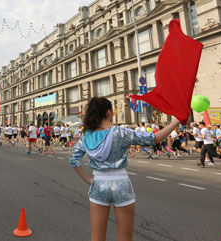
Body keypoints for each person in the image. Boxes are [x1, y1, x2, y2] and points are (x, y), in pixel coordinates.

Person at [70, 97, 180, 241]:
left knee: (97, 236)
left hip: (98, 184)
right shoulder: (121, 132)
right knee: (125, 237)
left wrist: (88, 180)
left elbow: (74, 161)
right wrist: (176, 121)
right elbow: (153, 139)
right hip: (121, 183)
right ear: (109, 113)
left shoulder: (86, 136)